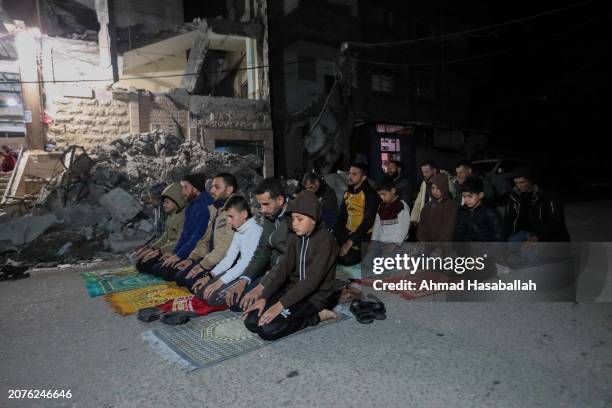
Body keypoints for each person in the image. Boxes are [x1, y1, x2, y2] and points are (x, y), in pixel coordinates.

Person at [243, 190, 338, 341]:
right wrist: (264, 297)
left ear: (313, 219)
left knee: (268, 330)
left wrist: (280, 305)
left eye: (299, 219)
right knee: (252, 322)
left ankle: (317, 317)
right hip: (292, 290)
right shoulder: (295, 238)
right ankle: (283, 309)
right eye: (293, 219)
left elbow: (312, 281)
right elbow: (283, 268)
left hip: (313, 298)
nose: (294, 224)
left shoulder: (327, 241)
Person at [225, 178, 290, 311]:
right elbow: (262, 250)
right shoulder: (271, 215)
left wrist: (262, 286)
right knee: (236, 301)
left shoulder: (295, 219)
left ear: (280, 200)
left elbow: (287, 260)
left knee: (252, 312)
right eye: (260, 205)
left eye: (266, 204)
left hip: (286, 273)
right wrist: (244, 279)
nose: (262, 210)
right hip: (272, 270)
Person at [191, 195, 262, 306]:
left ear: (244, 214)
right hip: (238, 270)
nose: (228, 221)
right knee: (200, 291)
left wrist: (220, 281)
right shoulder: (239, 229)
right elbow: (229, 258)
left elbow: (246, 264)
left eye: (231, 216)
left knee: (212, 298)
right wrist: (210, 276)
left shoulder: (255, 231)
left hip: (249, 274)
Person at [173, 173, 237, 290]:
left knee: (190, 283)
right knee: (180, 277)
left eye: (217, 187)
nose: (212, 191)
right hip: (211, 258)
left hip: (224, 261)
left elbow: (226, 245)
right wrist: (192, 258)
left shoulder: (235, 210)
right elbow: (205, 239)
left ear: (229, 190)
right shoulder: (215, 208)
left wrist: (203, 265)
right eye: (212, 186)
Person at [150, 173, 213, 281]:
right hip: (188, 250)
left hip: (198, 252)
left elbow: (196, 238)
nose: (183, 192)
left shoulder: (206, 206)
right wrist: (174, 253)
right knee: (157, 268)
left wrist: (179, 256)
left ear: (195, 188)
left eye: (185, 187)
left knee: (167, 273)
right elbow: (185, 235)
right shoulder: (191, 205)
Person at [504, 166, 570, 242]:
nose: (518, 185)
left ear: (531, 180)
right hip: (522, 233)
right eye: (516, 183)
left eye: (522, 182)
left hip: (546, 237)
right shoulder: (514, 196)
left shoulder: (547, 195)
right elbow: (507, 220)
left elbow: (556, 222)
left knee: (529, 250)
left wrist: (538, 236)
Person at [135, 183, 187, 274]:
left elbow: (180, 242)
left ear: (176, 201)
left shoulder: (183, 216)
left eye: (167, 202)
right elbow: (165, 235)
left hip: (175, 250)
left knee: (157, 269)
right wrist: (152, 248)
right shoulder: (171, 213)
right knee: (141, 263)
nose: (163, 204)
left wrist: (159, 251)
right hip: (167, 248)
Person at [362, 178, 411, 275]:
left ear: (393, 191)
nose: (382, 197)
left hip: (397, 243)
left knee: (383, 266)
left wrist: (394, 244)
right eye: (380, 195)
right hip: (381, 242)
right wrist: (374, 240)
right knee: (367, 262)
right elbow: (377, 226)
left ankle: (400, 259)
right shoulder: (381, 206)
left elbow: (403, 228)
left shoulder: (401, 206)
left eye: (384, 194)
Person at [335, 163, 380, 266]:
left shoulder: (370, 194)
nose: (350, 176)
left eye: (354, 174)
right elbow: (342, 217)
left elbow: (368, 221)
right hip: (347, 232)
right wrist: (335, 236)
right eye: (349, 173)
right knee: (329, 251)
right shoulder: (347, 193)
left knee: (346, 260)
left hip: (363, 235)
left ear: (363, 177)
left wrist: (350, 241)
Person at [454, 177, 504, 242]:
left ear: (480, 195)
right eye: (464, 196)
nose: (466, 200)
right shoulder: (462, 211)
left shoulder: (490, 213)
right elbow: (459, 233)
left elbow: (498, 238)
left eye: (470, 196)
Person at [410, 160, 456, 224]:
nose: (424, 175)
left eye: (426, 172)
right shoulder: (424, 183)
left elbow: (452, 196)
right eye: (423, 172)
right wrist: (413, 220)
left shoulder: (445, 181)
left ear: (434, 170)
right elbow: (419, 201)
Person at [417, 173, 458, 242]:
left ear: (444, 187)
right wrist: (423, 242)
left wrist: (440, 249)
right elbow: (422, 227)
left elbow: (448, 231)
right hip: (427, 246)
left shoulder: (451, 206)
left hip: (443, 248)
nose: (435, 191)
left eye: (438, 188)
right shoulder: (427, 206)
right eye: (433, 188)